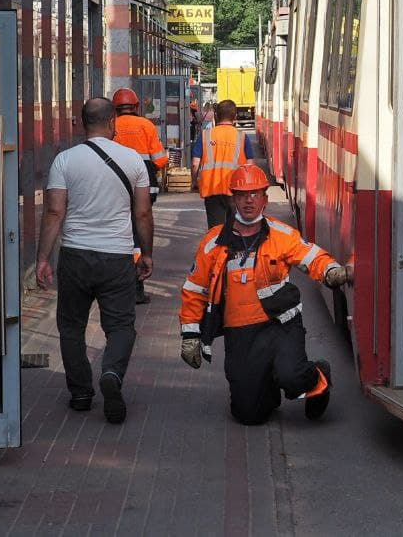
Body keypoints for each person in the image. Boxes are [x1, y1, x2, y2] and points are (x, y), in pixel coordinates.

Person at [178, 165, 351, 425]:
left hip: (280, 324)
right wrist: (190, 334)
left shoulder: (281, 235)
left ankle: (318, 377)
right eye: (242, 194)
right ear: (233, 198)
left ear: (265, 199)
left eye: (255, 194)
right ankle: (265, 390)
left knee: (291, 376)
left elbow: (311, 256)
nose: (249, 200)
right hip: (241, 332)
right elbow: (195, 289)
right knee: (247, 415)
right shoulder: (213, 243)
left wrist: (330, 271)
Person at [36, 97, 154, 424]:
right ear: (113, 121)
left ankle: (81, 393)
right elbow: (142, 212)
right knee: (120, 326)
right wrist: (146, 253)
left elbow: (54, 211)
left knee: (71, 325)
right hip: (117, 257)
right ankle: (112, 374)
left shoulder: (64, 161)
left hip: (75, 256)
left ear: (81, 123)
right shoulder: (132, 160)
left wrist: (43, 258)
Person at [112, 87, 168, 305]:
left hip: (117, 190)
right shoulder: (146, 126)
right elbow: (160, 160)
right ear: (136, 106)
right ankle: (137, 285)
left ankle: (121, 285)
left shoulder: (112, 126)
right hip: (145, 190)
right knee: (138, 234)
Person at [192, 99, 256, 227]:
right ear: (235, 116)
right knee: (236, 228)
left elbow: (195, 163)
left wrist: (195, 182)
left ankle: (218, 246)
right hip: (236, 191)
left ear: (216, 116)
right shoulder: (242, 137)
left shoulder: (205, 135)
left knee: (216, 231)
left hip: (212, 190)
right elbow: (250, 165)